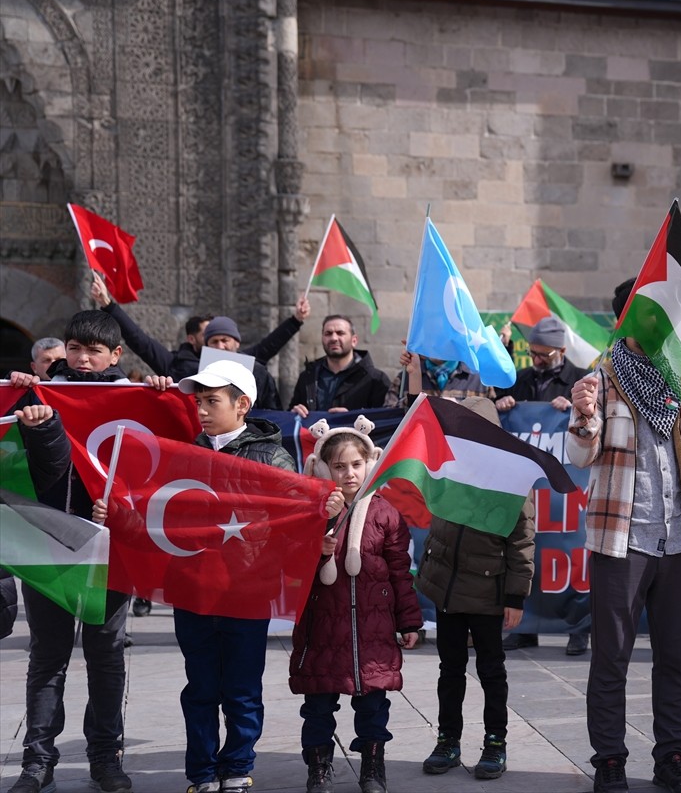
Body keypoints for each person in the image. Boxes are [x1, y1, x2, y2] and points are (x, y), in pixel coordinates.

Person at [566, 278, 681, 793]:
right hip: (622, 539)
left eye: (662, 314)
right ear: (627, 318)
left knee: (677, 658)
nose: (654, 323)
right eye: (644, 313)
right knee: (611, 656)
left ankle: (671, 756)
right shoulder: (603, 378)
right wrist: (584, 416)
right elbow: (581, 457)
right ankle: (609, 758)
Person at [145, 360, 302, 793]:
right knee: (199, 688)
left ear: (242, 404)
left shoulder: (271, 456)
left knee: (242, 690)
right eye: (199, 402)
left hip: (247, 594)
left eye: (212, 401)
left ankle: (236, 767)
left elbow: (297, 519)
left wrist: (320, 519)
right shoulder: (186, 453)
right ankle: (200, 773)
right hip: (192, 590)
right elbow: (160, 514)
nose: (202, 410)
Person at [6, 311, 133, 793]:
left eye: (93, 352)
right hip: (48, 542)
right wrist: (28, 404)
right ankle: (37, 761)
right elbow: (42, 463)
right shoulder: (38, 395)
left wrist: (166, 391)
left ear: (115, 356)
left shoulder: (134, 399)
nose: (82, 360)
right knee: (47, 656)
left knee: (106, 656)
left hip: (110, 548)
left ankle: (106, 756)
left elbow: (152, 468)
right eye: (74, 349)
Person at [289, 416, 422, 793]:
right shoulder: (311, 510)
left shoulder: (386, 513)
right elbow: (291, 566)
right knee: (317, 707)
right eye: (340, 466)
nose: (349, 473)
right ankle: (319, 768)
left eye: (357, 464)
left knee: (373, 708)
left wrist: (409, 622)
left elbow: (400, 573)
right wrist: (317, 546)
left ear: (371, 463)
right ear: (324, 467)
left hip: (373, 632)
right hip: (322, 630)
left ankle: (373, 767)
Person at [416, 397, 536, 781]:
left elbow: (521, 543)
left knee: (491, 673)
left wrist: (515, 597)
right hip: (448, 591)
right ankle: (448, 740)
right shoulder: (446, 468)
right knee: (449, 670)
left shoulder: (511, 479)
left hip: (487, 593)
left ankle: (495, 742)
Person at [495, 315, 589, 655]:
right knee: (527, 551)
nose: (536, 359)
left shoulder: (580, 379)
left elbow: (594, 421)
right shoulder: (519, 381)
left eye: (543, 354)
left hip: (568, 489)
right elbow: (499, 418)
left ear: (561, 351)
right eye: (532, 352)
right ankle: (526, 627)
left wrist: (574, 408)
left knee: (572, 558)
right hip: (529, 486)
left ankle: (578, 630)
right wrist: (503, 405)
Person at [89, 273, 309, 410]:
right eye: (214, 341)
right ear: (202, 343)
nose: (221, 346)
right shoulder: (177, 365)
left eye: (226, 340)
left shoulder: (247, 366)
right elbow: (140, 341)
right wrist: (108, 305)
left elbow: (271, 344)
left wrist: (296, 320)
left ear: (237, 344)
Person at [289, 315, 392, 416]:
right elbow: (289, 418)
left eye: (340, 333)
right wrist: (293, 414)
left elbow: (385, 421)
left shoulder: (376, 379)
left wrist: (351, 419)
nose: (334, 338)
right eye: (328, 333)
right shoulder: (307, 377)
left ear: (354, 340)